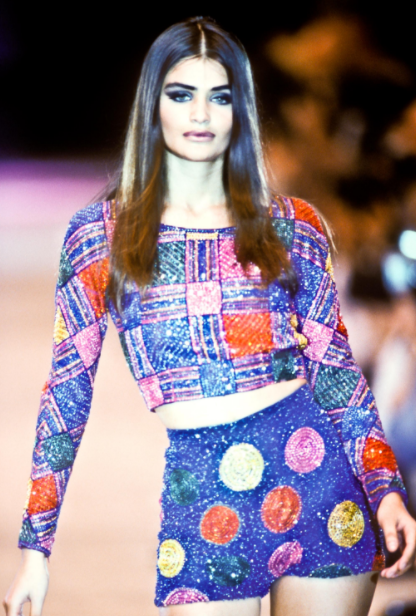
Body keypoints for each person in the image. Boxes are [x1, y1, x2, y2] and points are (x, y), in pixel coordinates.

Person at [3, 16, 416, 616]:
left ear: (240, 109)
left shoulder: (292, 226)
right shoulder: (101, 238)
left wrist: (384, 489)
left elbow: (336, 373)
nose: (201, 114)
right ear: (153, 105)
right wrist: (35, 548)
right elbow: (67, 392)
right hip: (201, 498)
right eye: (181, 94)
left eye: (219, 97)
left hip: (321, 486)